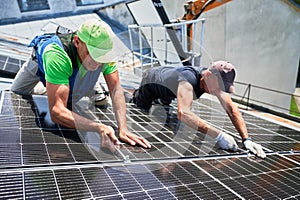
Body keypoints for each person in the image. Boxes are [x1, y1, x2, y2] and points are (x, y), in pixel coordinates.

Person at [11, 18, 151, 150]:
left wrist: (123, 129)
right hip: (41, 64)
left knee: (77, 96)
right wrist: (98, 127)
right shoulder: (57, 55)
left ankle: (86, 87)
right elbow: (57, 112)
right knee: (16, 93)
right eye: (94, 54)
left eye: (102, 57)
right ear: (77, 42)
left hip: (77, 70)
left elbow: (115, 90)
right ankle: (58, 84)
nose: (98, 62)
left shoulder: (104, 54)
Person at [132, 61, 266, 158]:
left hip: (170, 89)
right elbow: (183, 113)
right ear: (207, 76)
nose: (219, 91)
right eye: (219, 86)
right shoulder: (188, 79)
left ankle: (162, 101)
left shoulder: (213, 81)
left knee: (166, 115)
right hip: (151, 81)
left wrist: (246, 139)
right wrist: (218, 135)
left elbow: (232, 110)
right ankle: (134, 96)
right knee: (141, 110)